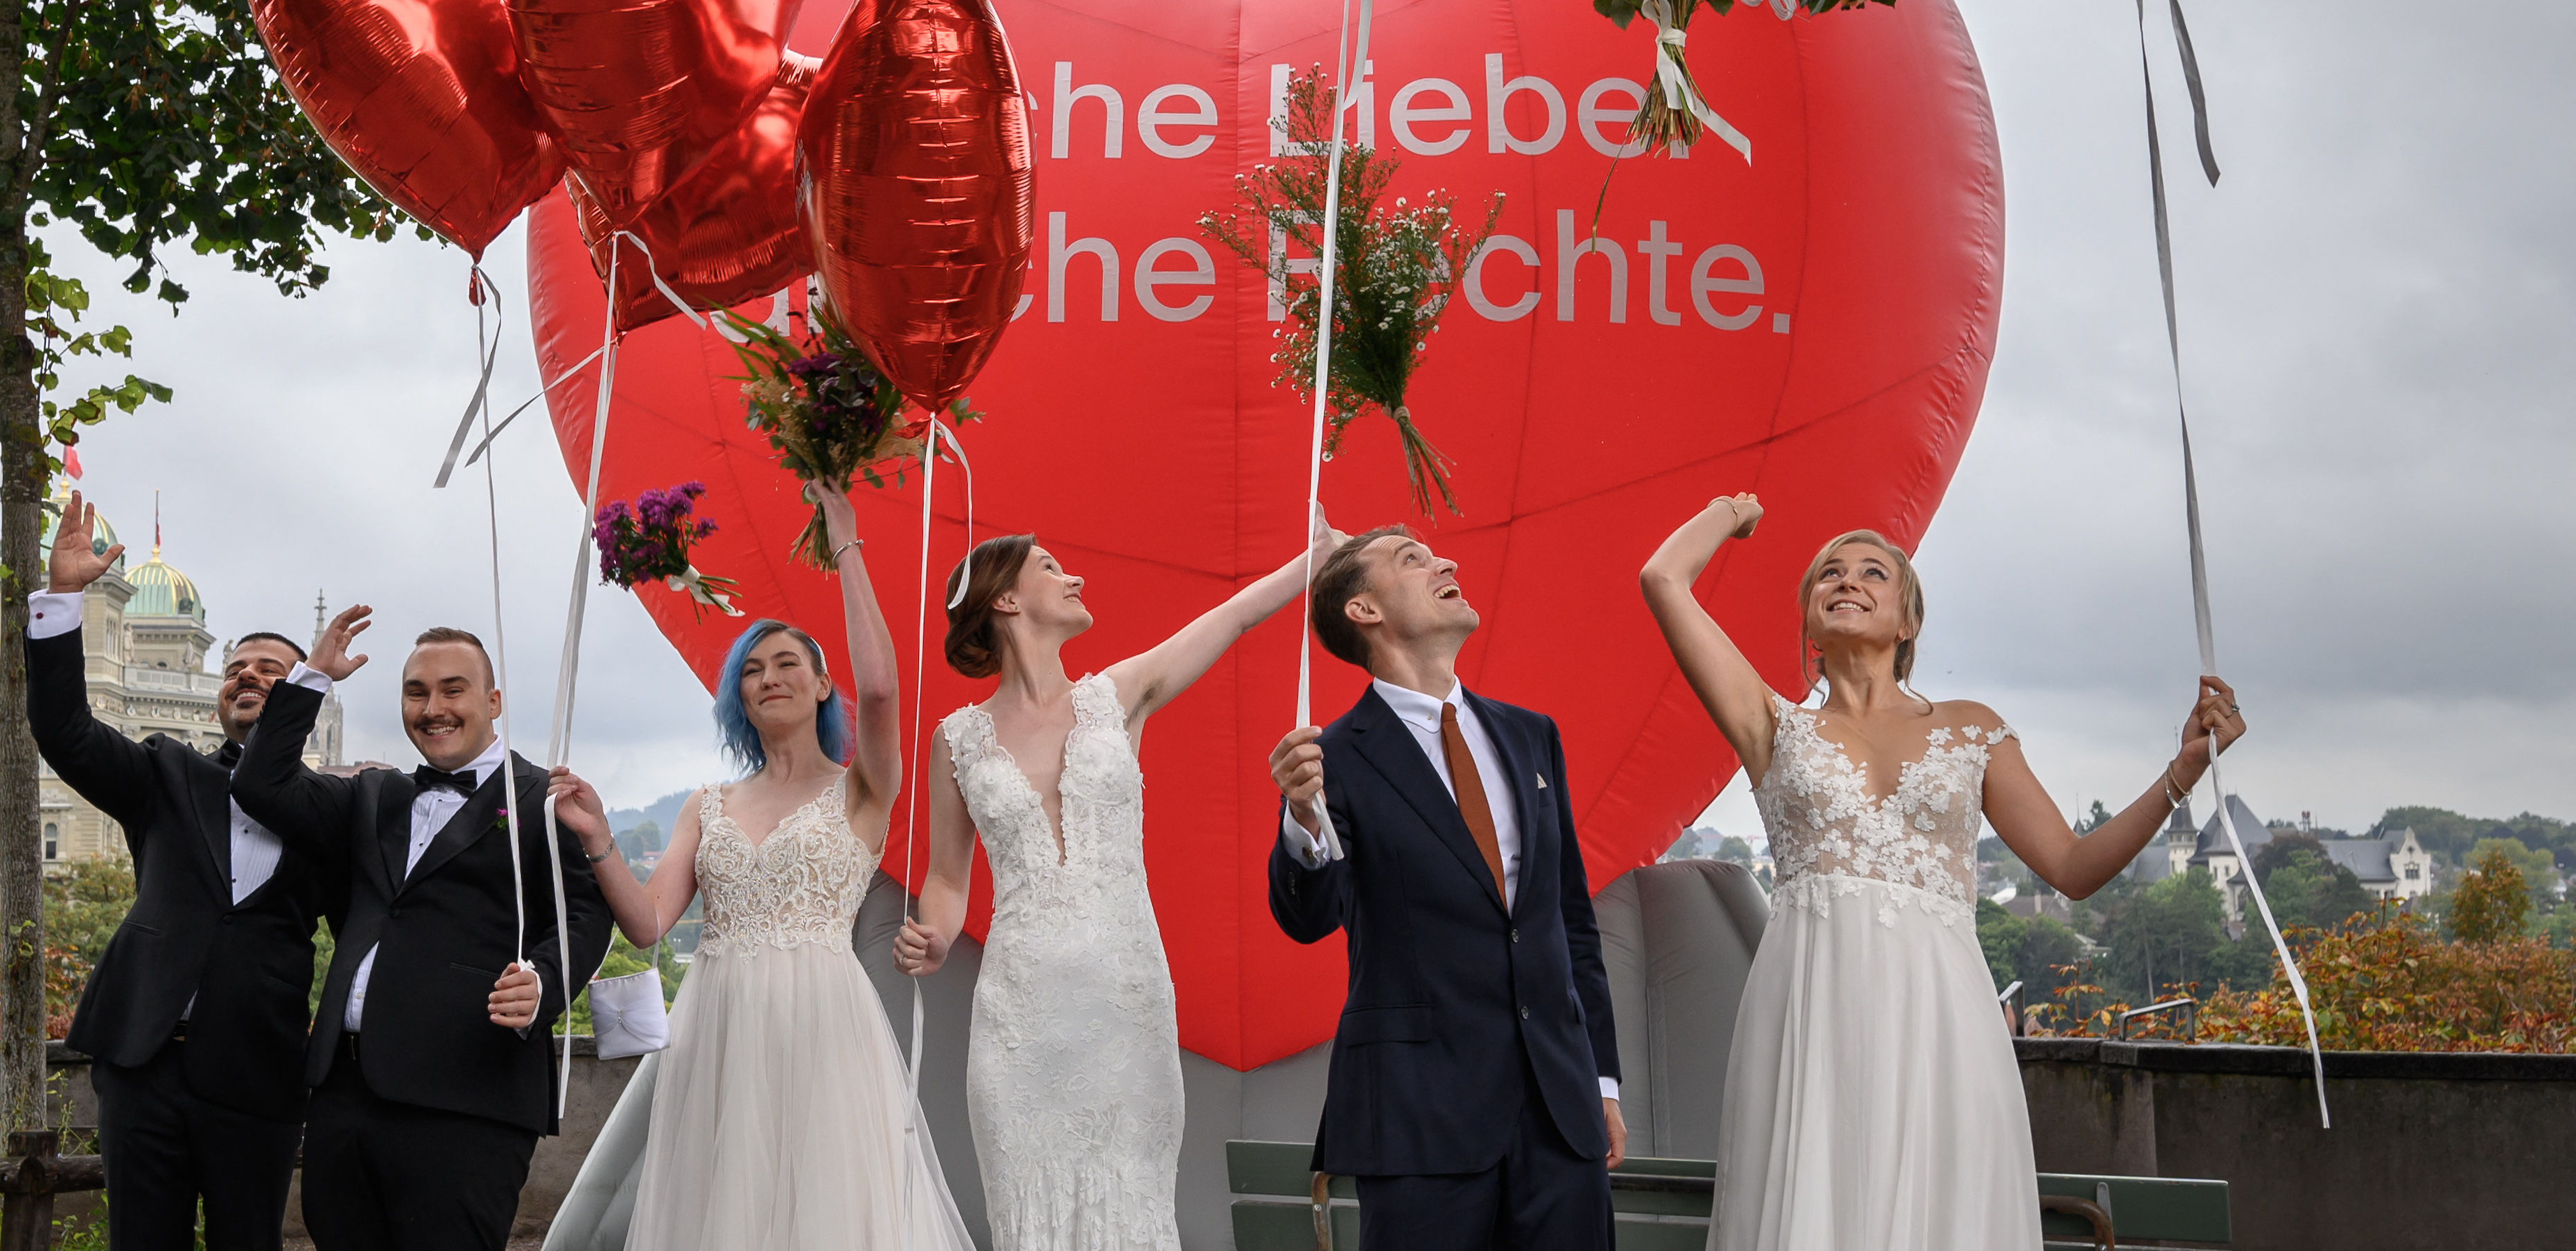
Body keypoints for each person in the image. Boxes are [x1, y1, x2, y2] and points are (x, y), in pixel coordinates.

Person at [1636, 495, 2249, 1251]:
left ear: (1907, 623)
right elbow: (1663, 577)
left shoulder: (1970, 728)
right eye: (1827, 573)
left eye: (1872, 572)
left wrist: (2180, 771)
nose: (1845, 579)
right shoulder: (1771, 724)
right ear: (1806, 624)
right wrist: (1735, 510)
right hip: (1808, 1015)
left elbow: (2071, 865)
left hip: (1943, 1020)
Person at [890, 508, 1338, 1250]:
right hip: (1019, 1018)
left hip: (1123, 1002)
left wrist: (1311, 560)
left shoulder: (1116, 694)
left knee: (1130, 1210)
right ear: (1004, 599)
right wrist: (933, 936)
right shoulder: (955, 740)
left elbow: (1229, 620)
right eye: (1049, 566)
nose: (1074, 575)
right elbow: (945, 876)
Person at [605, 479, 974, 1251]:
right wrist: (593, 837)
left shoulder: (861, 790)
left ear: (820, 684)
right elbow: (644, 926)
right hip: (717, 1024)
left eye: (785, 663)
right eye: (750, 668)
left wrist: (845, 539)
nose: (768, 676)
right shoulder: (703, 804)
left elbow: (882, 689)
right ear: (737, 694)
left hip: (824, 1022)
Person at [230, 606, 649, 1251]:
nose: (434, 709)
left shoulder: (545, 798)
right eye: (416, 693)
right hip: (344, 1095)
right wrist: (312, 676)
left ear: (494, 700)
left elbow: (585, 916)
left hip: (470, 1100)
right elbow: (259, 783)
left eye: (453, 690)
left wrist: (543, 986)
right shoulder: (372, 793)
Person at [1265, 525, 1627, 1251]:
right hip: (1416, 1118)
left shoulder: (1532, 736)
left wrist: (1602, 1081)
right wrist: (1301, 819)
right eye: (1411, 559)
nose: (1445, 562)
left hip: (1560, 1116)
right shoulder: (1328, 757)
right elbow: (1306, 915)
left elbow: (1567, 921)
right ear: (1363, 610)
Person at [25, 492, 344, 1251]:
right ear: (215, 699)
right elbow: (64, 730)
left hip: (257, 1076)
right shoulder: (162, 774)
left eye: (272, 670)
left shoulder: (336, 809)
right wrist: (64, 598)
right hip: (142, 1067)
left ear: (306, 695)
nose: (247, 676)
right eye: (236, 668)